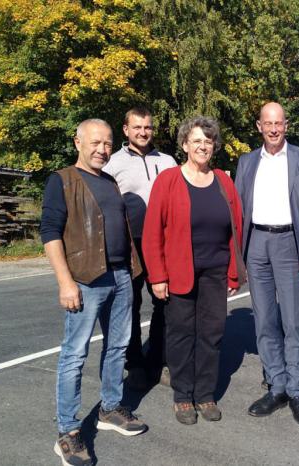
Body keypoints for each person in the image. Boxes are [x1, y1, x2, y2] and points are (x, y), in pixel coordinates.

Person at [41, 119, 147, 466]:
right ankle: (69, 433)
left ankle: (110, 408)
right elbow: (51, 233)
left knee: (117, 347)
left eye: (107, 143)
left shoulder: (110, 181)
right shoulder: (62, 181)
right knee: (75, 355)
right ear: (78, 142)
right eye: (95, 142)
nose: (102, 149)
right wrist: (65, 281)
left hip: (119, 275)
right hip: (86, 279)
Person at [142, 116, 246, 425]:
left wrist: (232, 272)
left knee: (212, 334)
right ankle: (182, 395)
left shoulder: (223, 182)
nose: (203, 146)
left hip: (215, 271)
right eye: (196, 140)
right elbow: (152, 233)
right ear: (185, 144)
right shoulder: (169, 180)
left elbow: (235, 229)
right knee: (181, 334)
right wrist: (158, 276)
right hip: (179, 273)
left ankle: (204, 393)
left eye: (208, 141)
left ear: (214, 146)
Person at [235, 102, 299, 427]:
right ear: (259, 126)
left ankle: (297, 392)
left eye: (279, 123)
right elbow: (237, 212)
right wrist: (236, 259)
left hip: (291, 244)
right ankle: (277, 387)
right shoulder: (246, 162)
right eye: (267, 123)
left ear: (286, 125)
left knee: (294, 323)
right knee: (264, 322)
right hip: (256, 244)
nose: (273, 128)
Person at [103, 107, 177, 390]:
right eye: (137, 127)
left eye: (147, 127)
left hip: (162, 244)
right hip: (130, 246)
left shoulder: (168, 161)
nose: (143, 132)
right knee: (129, 305)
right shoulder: (113, 163)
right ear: (125, 130)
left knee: (165, 303)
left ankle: (159, 359)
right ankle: (134, 362)